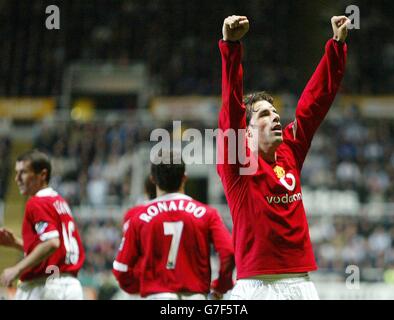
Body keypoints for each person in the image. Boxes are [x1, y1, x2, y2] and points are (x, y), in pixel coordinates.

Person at [217, 15, 350, 299]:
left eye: (276, 114)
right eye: (265, 114)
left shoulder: (290, 150)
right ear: (247, 132)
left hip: (301, 285)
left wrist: (336, 46)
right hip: (255, 288)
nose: (276, 118)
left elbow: (313, 104)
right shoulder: (239, 165)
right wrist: (231, 47)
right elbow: (230, 111)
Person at [112, 150, 235, 299]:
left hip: (156, 295)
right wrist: (222, 285)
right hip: (194, 296)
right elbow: (228, 252)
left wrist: (139, 287)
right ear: (185, 177)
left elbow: (120, 268)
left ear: (153, 179)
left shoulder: (139, 218)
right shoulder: (207, 214)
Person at [0, 150, 85, 299]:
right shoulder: (59, 202)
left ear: (42, 175)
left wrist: (16, 269)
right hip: (70, 286)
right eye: (16, 173)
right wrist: (16, 243)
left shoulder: (36, 203)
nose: (17, 179)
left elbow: (52, 243)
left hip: (45, 285)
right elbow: (56, 247)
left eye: (23, 172)